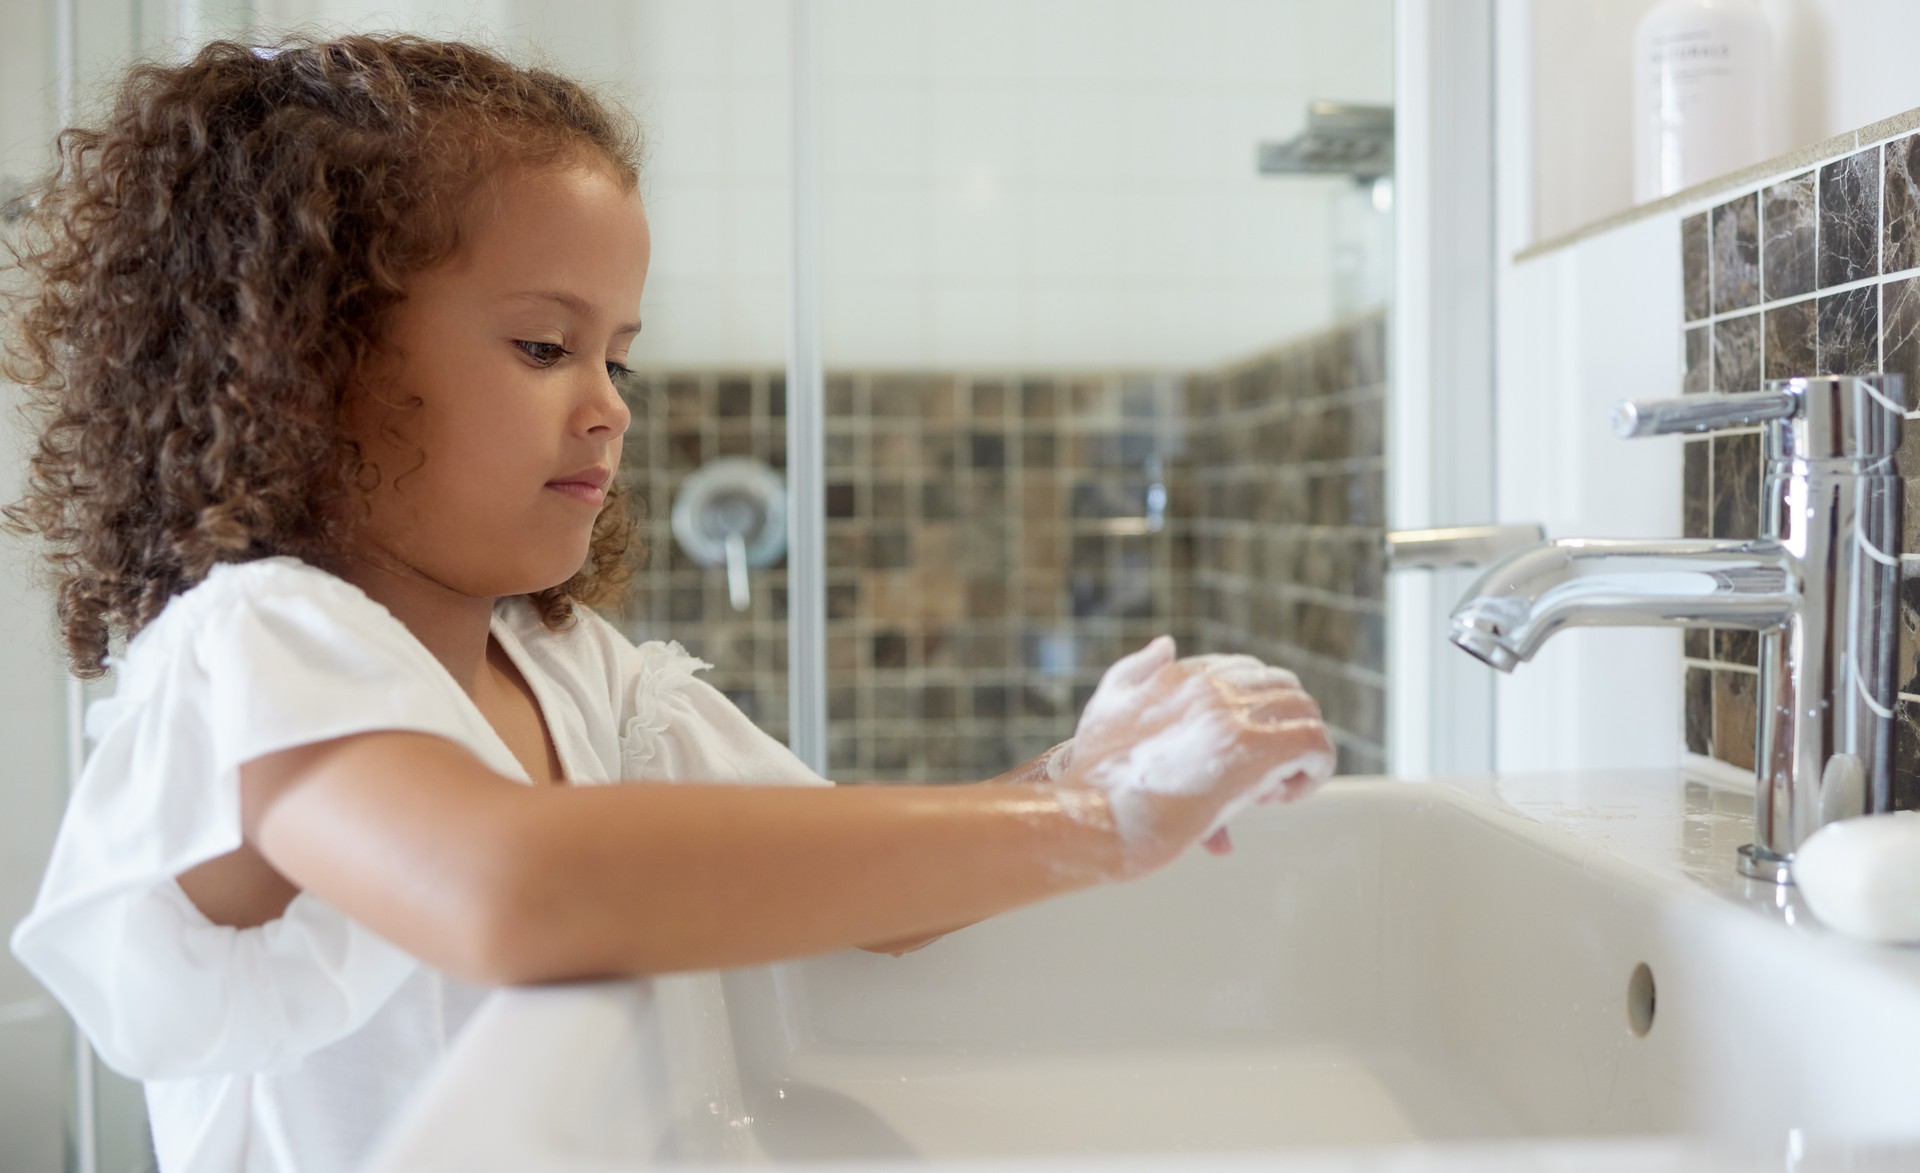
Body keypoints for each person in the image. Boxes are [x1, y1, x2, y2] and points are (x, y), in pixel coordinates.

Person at [1, 33, 1336, 1173]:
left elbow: (861, 884)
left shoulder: (576, 671)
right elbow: (508, 888)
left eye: (618, 355)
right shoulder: (260, 646)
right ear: (305, 360)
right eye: (543, 345)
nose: (608, 405)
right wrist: (1083, 820)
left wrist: (1089, 762)